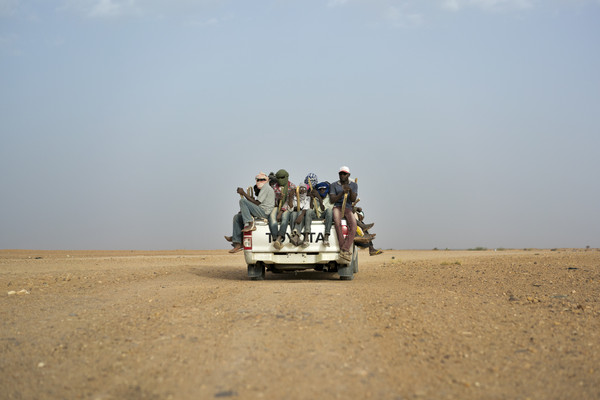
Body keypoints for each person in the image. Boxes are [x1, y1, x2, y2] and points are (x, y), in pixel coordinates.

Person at [226, 172, 274, 253]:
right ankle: (237, 241)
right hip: (261, 210)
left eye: (262, 179)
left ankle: (249, 223)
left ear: (267, 180)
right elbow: (257, 203)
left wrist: (244, 193)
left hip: (264, 212)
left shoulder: (266, 187)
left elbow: (257, 203)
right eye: (258, 180)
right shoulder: (264, 188)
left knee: (242, 201)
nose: (260, 181)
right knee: (237, 217)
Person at [329, 166, 358, 262]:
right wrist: (342, 193)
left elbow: (353, 199)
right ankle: (344, 250)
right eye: (340, 174)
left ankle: (344, 249)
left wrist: (349, 190)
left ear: (348, 175)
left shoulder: (353, 185)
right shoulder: (334, 185)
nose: (342, 175)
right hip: (337, 207)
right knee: (337, 224)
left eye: (344, 174)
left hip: (348, 207)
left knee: (354, 225)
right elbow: (332, 200)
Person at [269, 169, 296, 250]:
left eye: (282, 177)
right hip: (277, 206)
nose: (280, 180)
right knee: (272, 217)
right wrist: (278, 199)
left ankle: (279, 237)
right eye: (278, 178)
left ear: (286, 177)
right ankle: (275, 238)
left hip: (287, 207)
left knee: (285, 217)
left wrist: (281, 212)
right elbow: (272, 200)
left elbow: (289, 201)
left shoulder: (292, 186)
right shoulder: (274, 187)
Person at [313, 180, 334, 247]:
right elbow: (312, 209)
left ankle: (326, 236)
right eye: (320, 189)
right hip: (315, 216)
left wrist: (319, 198)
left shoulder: (330, 198)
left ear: (327, 189)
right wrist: (312, 198)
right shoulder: (314, 198)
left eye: (324, 189)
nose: (322, 190)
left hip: (324, 215)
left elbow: (323, 209)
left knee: (329, 211)